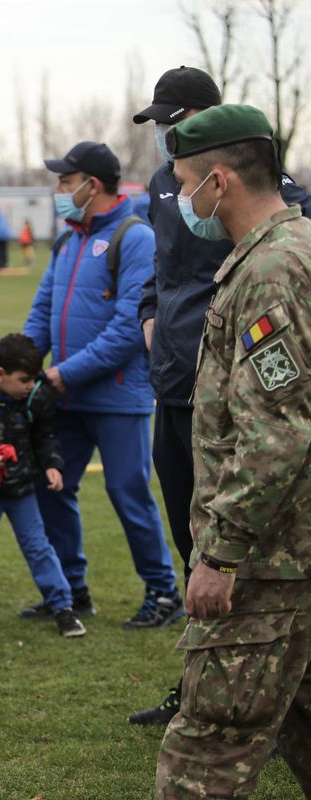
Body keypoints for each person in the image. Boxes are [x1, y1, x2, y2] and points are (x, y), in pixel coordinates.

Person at [130, 67, 311, 726]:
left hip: (247, 399)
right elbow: (162, 269)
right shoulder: (165, 187)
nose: (165, 141)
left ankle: (218, 686)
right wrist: (151, 319)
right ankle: (207, 673)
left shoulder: (281, 218)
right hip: (177, 382)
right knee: (191, 533)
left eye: (174, 124)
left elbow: (281, 422)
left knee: (229, 548)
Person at [21, 140, 182, 628]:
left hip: (117, 396)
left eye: (65, 183)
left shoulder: (137, 238)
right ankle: (71, 591)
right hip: (66, 397)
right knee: (51, 488)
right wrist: (17, 364)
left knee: (127, 492)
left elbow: (129, 328)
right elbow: (42, 313)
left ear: (92, 185)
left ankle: (163, 593)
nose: (58, 191)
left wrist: (60, 374)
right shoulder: (68, 240)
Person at [0, 333, 84, 637]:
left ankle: (63, 607)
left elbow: (45, 436)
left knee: (38, 548)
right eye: (24, 379)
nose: (29, 386)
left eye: (33, 379)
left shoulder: (31, 400)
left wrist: (52, 465)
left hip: (22, 491)